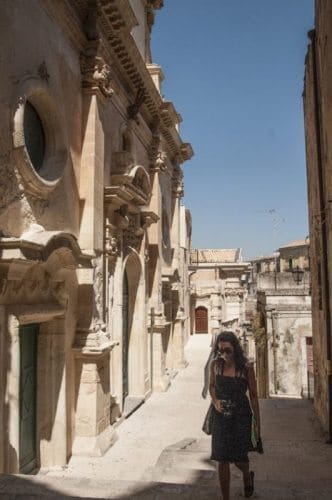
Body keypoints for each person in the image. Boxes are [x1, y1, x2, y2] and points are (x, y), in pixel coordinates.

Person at [209, 331, 261, 499]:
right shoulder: (215, 365)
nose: (223, 354)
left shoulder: (246, 368)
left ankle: (247, 475)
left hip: (240, 416)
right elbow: (211, 386)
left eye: (227, 351)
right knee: (222, 459)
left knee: (239, 458)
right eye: (220, 351)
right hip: (220, 416)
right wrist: (215, 401)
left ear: (235, 349)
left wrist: (257, 421)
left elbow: (253, 395)